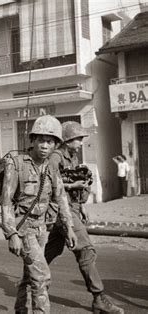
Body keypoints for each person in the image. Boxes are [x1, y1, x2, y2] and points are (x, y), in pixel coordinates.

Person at [0, 115, 77, 314]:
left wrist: (69, 228)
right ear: (32, 140)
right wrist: (12, 234)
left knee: (30, 274)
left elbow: (61, 198)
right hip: (23, 227)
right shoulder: (16, 164)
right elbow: (6, 201)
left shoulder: (52, 166)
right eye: (41, 140)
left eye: (50, 141)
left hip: (42, 228)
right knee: (41, 276)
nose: (44, 145)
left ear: (56, 145)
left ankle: (20, 309)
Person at [46, 121, 124, 314]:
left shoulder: (72, 157)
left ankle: (30, 280)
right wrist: (72, 188)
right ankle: (98, 298)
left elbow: (72, 181)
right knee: (85, 251)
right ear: (67, 140)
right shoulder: (55, 158)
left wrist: (80, 206)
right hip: (61, 211)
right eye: (78, 138)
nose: (81, 142)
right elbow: (47, 186)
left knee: (51, 251)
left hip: (71, 208)